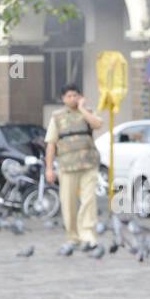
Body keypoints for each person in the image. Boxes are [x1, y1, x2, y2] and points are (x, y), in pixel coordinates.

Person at [45, 82, 104, 250]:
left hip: (88, 163)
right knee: (68, 203)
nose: (72, 99)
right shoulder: (57, 117)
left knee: (88, 201)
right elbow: (51, 144)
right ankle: (73, 236)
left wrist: (83, 109)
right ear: (63, 99)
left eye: (75, 95)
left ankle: (88, 235)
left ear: (80, 97)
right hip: (67, 166)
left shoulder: (88, 113)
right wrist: (49, 168)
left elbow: (98, 124)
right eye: (69, 96)